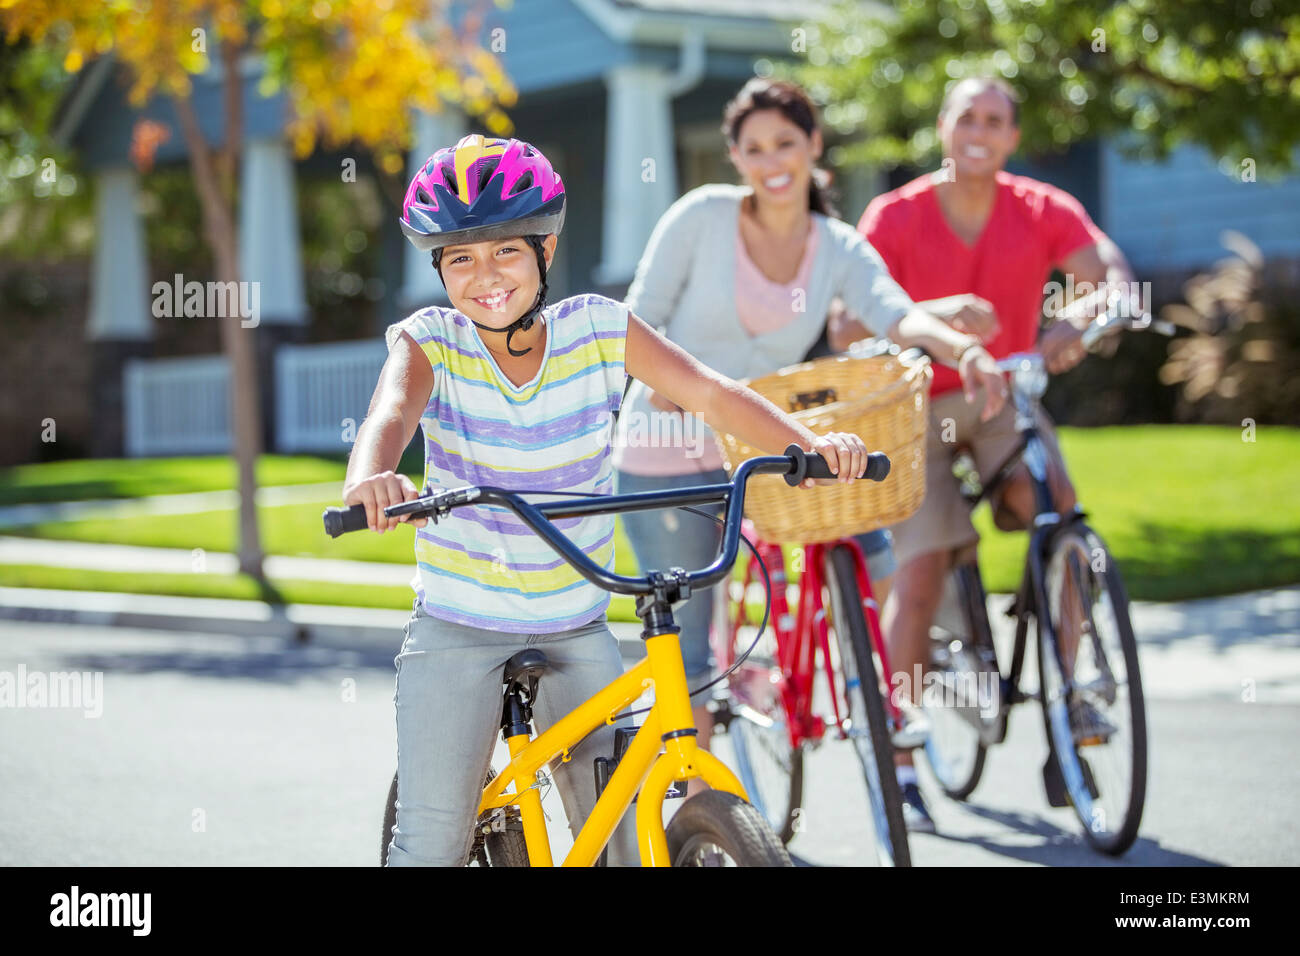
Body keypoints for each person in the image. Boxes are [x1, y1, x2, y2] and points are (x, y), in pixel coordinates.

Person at [346, 133, 877, 866]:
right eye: (459, 258)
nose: (485, 275)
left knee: (627, 840)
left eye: (506, 251)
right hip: (460, 622)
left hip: (575, 620)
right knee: (432, 840)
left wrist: (806, 446)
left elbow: (709, 393)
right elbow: (391, 414)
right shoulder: (431, 340)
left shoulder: (597, 327)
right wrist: (370, 473)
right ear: (438, 268)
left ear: (547, 250)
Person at [613, 78, 1007, 769]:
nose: (772, 160)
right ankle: (704, 813)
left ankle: (895, 688)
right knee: (694, 643)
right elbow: (634, 321)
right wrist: (661, 387)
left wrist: (964, 349)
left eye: (786, 143)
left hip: (762, 444)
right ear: (735, 155)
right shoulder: (701, 218)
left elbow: (895, 313)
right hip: (667, 447)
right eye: (755, 147)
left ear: (813, 146)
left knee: (866, 530)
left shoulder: (836, 245)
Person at [854, 76, 1143, 834]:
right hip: (912, 405)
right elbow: (848, 318)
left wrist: (1078, 320)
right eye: (966, 117)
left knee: (1057, 518)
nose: (979, 131)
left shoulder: (1041, 208)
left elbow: (1110, 278)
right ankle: (903, 749)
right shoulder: (896, 215)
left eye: (995, 120)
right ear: (943, 127)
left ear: (1013, 136)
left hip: (1002, 395)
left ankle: (1071, 694)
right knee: (918, 570)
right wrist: (928, 319)